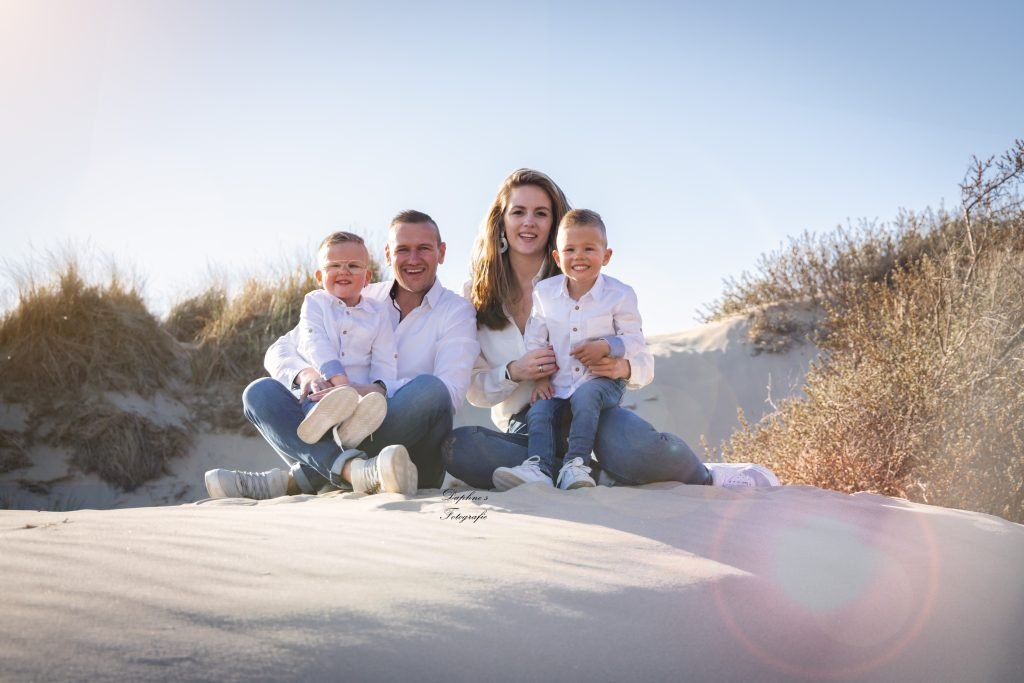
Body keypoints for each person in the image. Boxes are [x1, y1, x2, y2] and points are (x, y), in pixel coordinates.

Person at [443, 169, 779, 489]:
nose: (529, 222)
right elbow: (475, 390)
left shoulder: (585, 279)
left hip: (591, 408)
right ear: (501, 221)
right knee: (460, 447)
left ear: (555, 224)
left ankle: (705, 477)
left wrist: (623, 366)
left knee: (636, 450)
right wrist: (514, 371)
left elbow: (640, 359)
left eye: (541, 213)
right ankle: (586, 474)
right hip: (527, 421)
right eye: (518, 212)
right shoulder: (476, 293)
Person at [205, 210, 479, 500]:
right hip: (339, 421)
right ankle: (354, 471)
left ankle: (299, 480)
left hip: (410, 457)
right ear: (387, 254)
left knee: (430, 390)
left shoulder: (457, 311)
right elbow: (280, 350)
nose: (413, 259)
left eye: (423, 248)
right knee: (259, 393)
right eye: (402, 250)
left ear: (442, 252)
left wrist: (367, 390)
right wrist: (307, 376)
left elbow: (449, 395)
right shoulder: (357, 294)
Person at [493, 208, 649, 490]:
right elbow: (536, 338)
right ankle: (539, 467)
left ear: (606, 256)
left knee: (586, 398)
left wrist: (607, 346)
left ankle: (576, 465)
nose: (579, 256)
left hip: (600, 381)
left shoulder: (620, 294)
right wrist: (540, 378)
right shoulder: (544, 293)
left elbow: (635, 339)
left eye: (589, 248)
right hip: (558, 380)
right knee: (539, 410)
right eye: (570, 249)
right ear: (557, 257)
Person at [293, 231, 395, 450]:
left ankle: (352, 430)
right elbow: (315, 341)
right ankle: (327, 433)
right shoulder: (315, 303)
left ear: (367, 278)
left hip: (361, 396)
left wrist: (373, 390)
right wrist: (339, 384)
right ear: (320, 277)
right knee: (314, 403)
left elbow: (384, 360)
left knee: (375, 405)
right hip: (322, 390)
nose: (343, 271)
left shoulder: (377, 313)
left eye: (353, 266)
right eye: (334, 266)